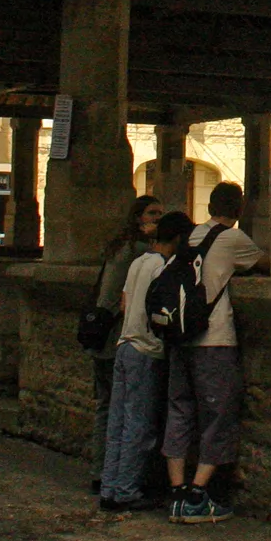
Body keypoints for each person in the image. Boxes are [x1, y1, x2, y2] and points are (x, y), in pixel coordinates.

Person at [163, 181, 268, 523]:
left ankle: (176, 491)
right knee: (217, 414)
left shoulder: (190, 235)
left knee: (180, 410)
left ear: (209, 206)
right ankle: (198, 493)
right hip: (213, 338)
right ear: (239, 209)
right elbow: (265, 262)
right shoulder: (233, 239)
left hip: (179, 336)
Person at [99, 210, 193, 512]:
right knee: (138, 424)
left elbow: (125, 303)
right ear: (178, 238)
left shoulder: (138, 262)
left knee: (118, 421)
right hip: (145, 349)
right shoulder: (161, 267)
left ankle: (109, 485)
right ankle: (126, 490)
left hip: (124, 343)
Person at [92, 195, 162, 479]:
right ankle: (123, 478)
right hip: (117, 338)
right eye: (152, 213)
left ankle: (102, 473)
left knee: (106, 408)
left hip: (100, 336)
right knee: (125, 412)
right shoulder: (140, 251)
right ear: (138, 218)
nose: (157, 218)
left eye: (160, 214)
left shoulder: (121, 245)